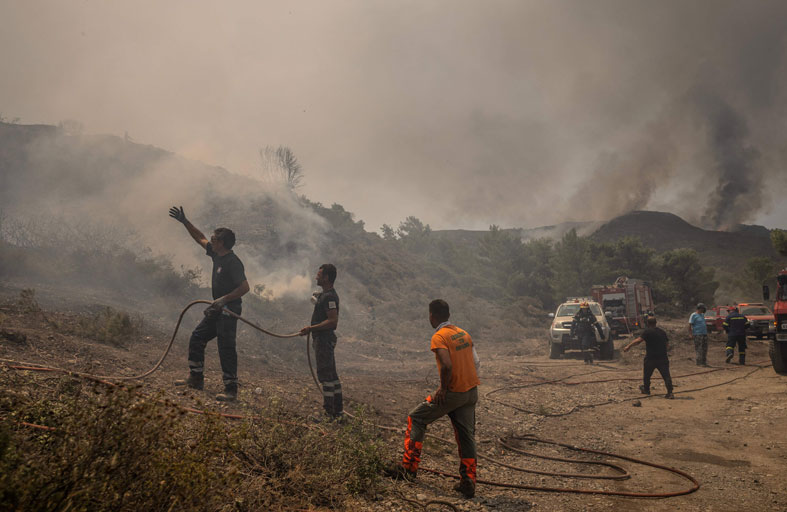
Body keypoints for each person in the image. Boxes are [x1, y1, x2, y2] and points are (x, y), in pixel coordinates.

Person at [385, 299, 480, 499]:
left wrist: (443, 389)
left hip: (453, 392)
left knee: (416, 417)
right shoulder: (463, 333)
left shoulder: (439, 336)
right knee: (466, 435)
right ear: (448, 314)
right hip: (471, 392)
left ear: (432, 316)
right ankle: (468, 481)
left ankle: (408, 469)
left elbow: (446, 365)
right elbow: (476, 362)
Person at [169, 206, 249, 401]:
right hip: (217, 308)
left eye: (214, 240)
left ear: (221, 243)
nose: (210, 241)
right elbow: (200, 238)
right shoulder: (216, 254)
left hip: (229, 310)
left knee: (226, 347)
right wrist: (184, 221)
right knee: (197, 337)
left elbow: (245, 287)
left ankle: (231, 391)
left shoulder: (233, 262)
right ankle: (196, 379)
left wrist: (224, 300)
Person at [299, 264, 342, 419]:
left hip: (324, 340)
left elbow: (332, 322)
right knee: (332, 376)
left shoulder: (329, 297)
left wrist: (311, 328)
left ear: (326, 278)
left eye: (319, 275)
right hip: (323, 339)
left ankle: (329, 414)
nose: (316, 277)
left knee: (326, 377)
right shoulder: (326, 295)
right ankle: (338, 413)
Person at [623, 316, 674, 399]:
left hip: (651, 358)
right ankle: (670, 392)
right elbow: (667, 345)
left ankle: (646, 389)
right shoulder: (662, 332)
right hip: (662, 358)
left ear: (647, 323)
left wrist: (628, 346)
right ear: (656, 323)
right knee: (666, 375)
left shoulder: (647, 332)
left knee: (647, 375)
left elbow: (638, 341)